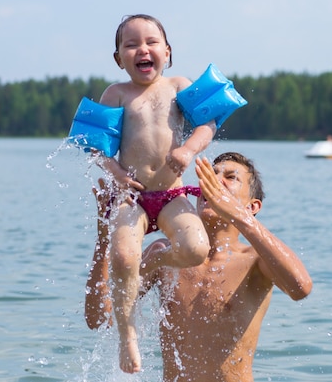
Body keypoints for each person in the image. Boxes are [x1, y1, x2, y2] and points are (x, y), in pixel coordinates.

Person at [85, 152, 313, 381]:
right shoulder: (164, 255)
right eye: (211, 175)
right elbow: (99, 318)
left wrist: (241, 217)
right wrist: (106, 237)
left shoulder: (255, 261)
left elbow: (300, 288)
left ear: (252, 206)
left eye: (231, 177)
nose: (215, 181)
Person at [93, 14, 216, 373]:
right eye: (130, 45)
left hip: (170, 194)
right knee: (123, 258)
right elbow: (99, 147)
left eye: (150, 42)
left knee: (196, 249)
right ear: (119, 58)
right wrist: (115, 172)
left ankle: (157, 261)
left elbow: (208, 123)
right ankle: (127, 335)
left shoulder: (179, 86)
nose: (141, 49)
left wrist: (187, 151)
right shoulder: (116, 94)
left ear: (167, 51)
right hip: (132, 196)